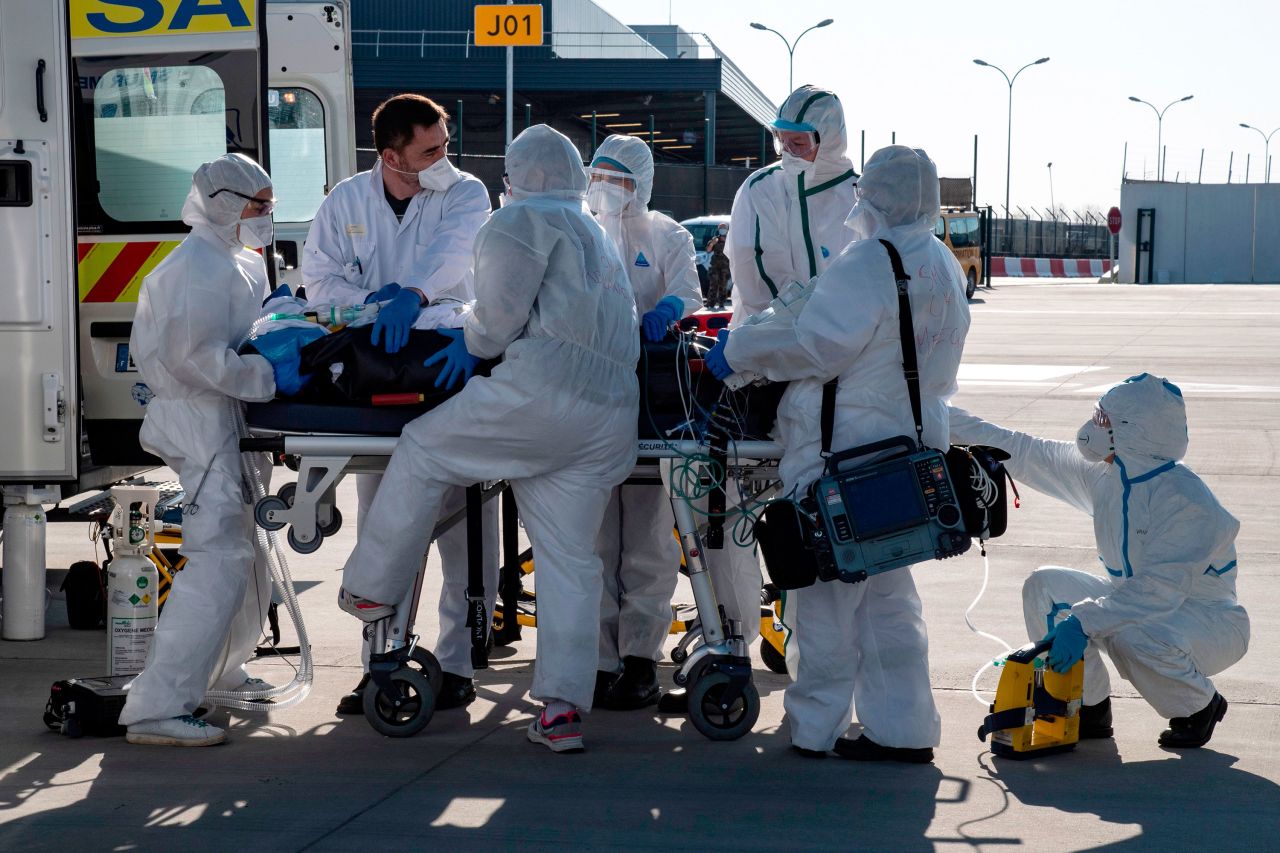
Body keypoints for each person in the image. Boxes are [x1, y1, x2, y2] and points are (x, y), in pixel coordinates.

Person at [336, 125, 640, 754]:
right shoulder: (595, 233)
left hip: (540, 397)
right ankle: (561, 708)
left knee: (421, 449)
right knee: (571, 560)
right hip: (607, 418)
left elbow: (497, 320)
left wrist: (468, 341)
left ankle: (372, 588)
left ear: (518, 176)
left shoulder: (519, 222)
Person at [705, 146, 970, 762]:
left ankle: (815, 728)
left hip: (844, 456)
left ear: (875, 196)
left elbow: (816, 346)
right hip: (909, 451)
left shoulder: (868, 264)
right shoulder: (939, 264)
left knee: (824, 596)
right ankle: (902, 729)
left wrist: (739, 351)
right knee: (889, 600)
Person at [302, 93, 498, 714]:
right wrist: (371, 305)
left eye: (446, 142)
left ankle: (460, 661)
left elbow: (455, 258)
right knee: (383, 526)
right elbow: (321, 279)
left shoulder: (464, 192)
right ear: (392, 156)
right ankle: (377, 663)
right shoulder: (346, 201)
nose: (445, 156)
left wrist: (411, 294)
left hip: (446, 365)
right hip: (376, 373)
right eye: (431, 149)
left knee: (464, 524)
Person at [950, 373, 1248, 749]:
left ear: (1134, 430)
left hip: (1210, 623)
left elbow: (1158, 593)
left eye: (1102, 420)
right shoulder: (1108, 475)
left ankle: (1198, 705)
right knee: (1044, 587)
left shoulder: (1187, 500)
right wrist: (931, 418)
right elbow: (1023, 450)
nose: (1092, 427)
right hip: (1138, 604)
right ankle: (1088, 707)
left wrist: (1084, 620)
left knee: (1129, 633)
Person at [677, 85, 860, 690]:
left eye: (800, 138)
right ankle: (731, 632)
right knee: (723, 500)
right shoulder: (757, 189)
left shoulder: (857, 200)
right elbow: (749, 290)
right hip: (761, 366)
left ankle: (818, 655)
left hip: (836, 381)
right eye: (781, 135)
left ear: (829, 138)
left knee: (819, 513)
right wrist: (755, 349)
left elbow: (853, 301)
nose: (787, 147)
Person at [119, 154, 282, 746]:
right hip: (201, 419)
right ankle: (156, 706)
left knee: (247, 554)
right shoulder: (196, 269)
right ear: (224, 203)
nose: (267, 216)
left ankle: (224, 669)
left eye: (269, 204)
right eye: (258, 205)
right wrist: (270, 376)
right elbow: (197, 360)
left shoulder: (237, 261)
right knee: (217, 557)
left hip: (227, 418)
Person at [585, 134, 702, 710]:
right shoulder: (579, 231)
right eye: (599, 175)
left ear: (642, 184)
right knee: (595, 542)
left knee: (651, 541)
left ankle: (638, 658)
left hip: (652, 400)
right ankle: (600, 659)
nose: (607, 188)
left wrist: (667, 311)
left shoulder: (666, 234)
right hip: (588, 398)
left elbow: (688, 289)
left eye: (619, 178)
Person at [705, 226, 731, 311]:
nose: (722, 229)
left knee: (723, 285)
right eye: (721, 228)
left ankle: (721, 303)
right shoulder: (715, 239)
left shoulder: (730, 239)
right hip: (715, 266)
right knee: (713, 284)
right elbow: (708, 250)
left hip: (725, 266)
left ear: (727, 230)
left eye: (724, 228)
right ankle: (710, 303)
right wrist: (712, 243)